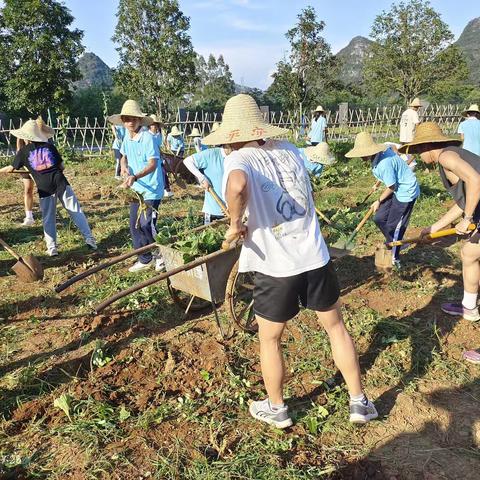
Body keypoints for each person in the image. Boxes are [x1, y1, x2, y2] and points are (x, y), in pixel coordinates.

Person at [202, 93, 377, 428]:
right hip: (315, 255)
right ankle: (359, 402)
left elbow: (237, 186)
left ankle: (277, 408)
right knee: (335, 327)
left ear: (231, 136)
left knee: (270, 338)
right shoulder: (288, 149)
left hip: (276, 265)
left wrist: (235, 225)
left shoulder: (239, 160)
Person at [398, 122, 480, 322]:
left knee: (469, 254)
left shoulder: (446, 156)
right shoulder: (451, 157)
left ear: (426, 146)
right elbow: (463, 202)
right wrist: (433, 228)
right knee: (469, 254)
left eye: (418, 150)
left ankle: (469, 307)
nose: (419, 156)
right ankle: (469, 306)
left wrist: (468, 219)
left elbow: (476, 181)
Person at [0, 120, 96, 256]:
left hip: (45, 187)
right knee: (75, 210)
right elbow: (62, 167)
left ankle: (52, 248)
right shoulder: (49, 146)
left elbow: (11, 168)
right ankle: (90, 239)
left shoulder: (23, 152)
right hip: (60, 182)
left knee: (48, 217)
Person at [346, 133, 420, 268]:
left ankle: (395, 258)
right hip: (397, 186)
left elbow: (392, 186)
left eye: (364, 153)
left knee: (394, 226)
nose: (362, 157)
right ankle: (394, 241)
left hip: (405, 191)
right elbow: (389, 176)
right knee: (379, 218)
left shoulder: (383, 163)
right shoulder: (380, 154)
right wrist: (378, 186)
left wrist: (378, 200)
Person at [108, 100, 164, 273]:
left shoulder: (147, 138)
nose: (130, 122)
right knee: (135, 226)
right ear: (123, 121)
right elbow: (123, 155)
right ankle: (144, 258)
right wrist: (124, 166)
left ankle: (161, 253)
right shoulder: (127, 135)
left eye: (133, 119)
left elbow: (153, 163)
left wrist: (135, 176)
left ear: (140, 120)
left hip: (151, 189)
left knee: (147, 224)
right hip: (135, 189)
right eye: (126, 119)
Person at [17, 116, 56, 226]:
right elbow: (19, 153)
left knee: (44, 190)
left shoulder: (42, 140)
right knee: (28, 189)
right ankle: (29, 216)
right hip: (26, 166)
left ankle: (48, 213)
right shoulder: (21, 139)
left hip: (40, 167)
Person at [183, 146, 226, 224]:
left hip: (236, 211)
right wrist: (202, 178)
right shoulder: (211, 154)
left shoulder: (238, 156)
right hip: (214, 210)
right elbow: (188, 161)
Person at [149, 114, 173, 198]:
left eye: (156, 125)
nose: (155, 126)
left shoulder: (158, 135)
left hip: (158, 157)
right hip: (151, 158)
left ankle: (166, 189)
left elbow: (158, 146)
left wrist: (162, 155)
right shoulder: (147, 135)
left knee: (163, 172)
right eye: (153, 125)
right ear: (149, 126)